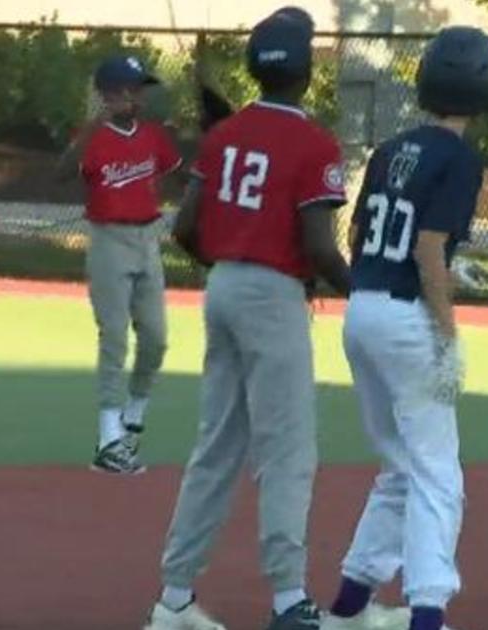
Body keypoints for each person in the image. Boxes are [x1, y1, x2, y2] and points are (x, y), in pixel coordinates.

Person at [143, 8, 351, 630]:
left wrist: (231, 260)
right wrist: (362, 292)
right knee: (288, 450)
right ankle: (289, 599)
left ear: (254, 70)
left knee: (217, 444)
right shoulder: (315, 143)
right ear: (307, 73)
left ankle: (174, 596)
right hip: (273, 295)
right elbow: (318, 246)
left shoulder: (224, 135)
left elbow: (183, 229)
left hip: (224, 287)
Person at [321, 26, 488, 630]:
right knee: (437, 474)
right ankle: (428, 612)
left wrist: (454, 265)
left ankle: (350, 603)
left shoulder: (388, 148)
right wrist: (447, 338)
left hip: (364, 308)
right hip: (406, 320)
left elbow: (361, 238)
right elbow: (428, 247)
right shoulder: (460, 158)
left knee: (400, 466)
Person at [57, 55, 181, 475]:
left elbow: (172, 173)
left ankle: (134, 412)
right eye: (130, 89)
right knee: (114, 336)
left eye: (140, 89)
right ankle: (109, 437)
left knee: (157, 338)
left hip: (147, 239)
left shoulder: (153, 135)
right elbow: (60, 172)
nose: (138, 97)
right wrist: (91, 126)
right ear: (109, 95)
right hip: (109, 239)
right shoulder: (93, 136)